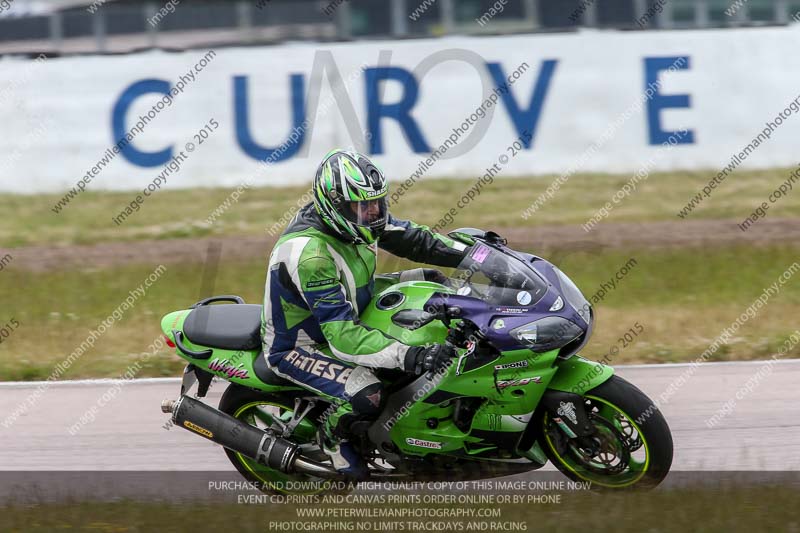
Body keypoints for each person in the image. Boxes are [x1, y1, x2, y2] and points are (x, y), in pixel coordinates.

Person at [260, 149, 469, 478]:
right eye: (362, 206)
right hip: (303, 344)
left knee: (430, 283)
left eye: (377, 203)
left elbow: (418, 241)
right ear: (335, 206)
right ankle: (331, 439)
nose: (373, 213)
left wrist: (478, 254)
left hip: (354, 304)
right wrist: (412, 355)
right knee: (369, 393)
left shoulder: (358, 222)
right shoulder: (311, 256)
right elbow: (343, 338)